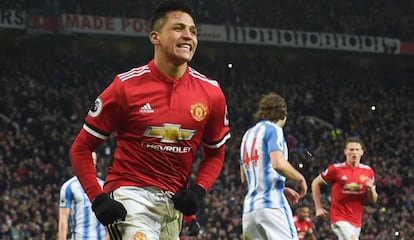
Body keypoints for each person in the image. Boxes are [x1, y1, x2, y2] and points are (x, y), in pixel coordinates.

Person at [69, 0, 231, 239]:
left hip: (172, 206)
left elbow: (216, 153)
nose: (188, 36)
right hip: (129, 197)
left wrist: (197, 191)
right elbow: (81, 148)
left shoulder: (212, 93)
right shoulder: (125, 87)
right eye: (178, 28)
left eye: (193, 31)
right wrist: (98, 198)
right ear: (155, 37)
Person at [239, 92, 307, 240]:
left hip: (250, 211)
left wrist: (281, 188)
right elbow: (278, 164)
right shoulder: (273, 130)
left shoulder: (247, 136)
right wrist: (300, 178)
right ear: (283, 114)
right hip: (272, 205)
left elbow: (244, 178)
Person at [311, 137, 378, 240]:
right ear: (345, 151)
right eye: (351, 149)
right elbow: (316, 182)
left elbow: (373, 200)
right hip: (339, 217)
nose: (354, 152)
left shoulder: (368, 171)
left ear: (362, 152)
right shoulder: (336, 169)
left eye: (357, 149)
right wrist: (318, 207)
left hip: (357, 220)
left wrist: (371, 190)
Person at [58, 152, 108, 240]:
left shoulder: (103, 186)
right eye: (90, 160)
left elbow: (109, 217)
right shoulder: (69, 187)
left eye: (95, 161)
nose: (93, 164)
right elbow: (63, 219)